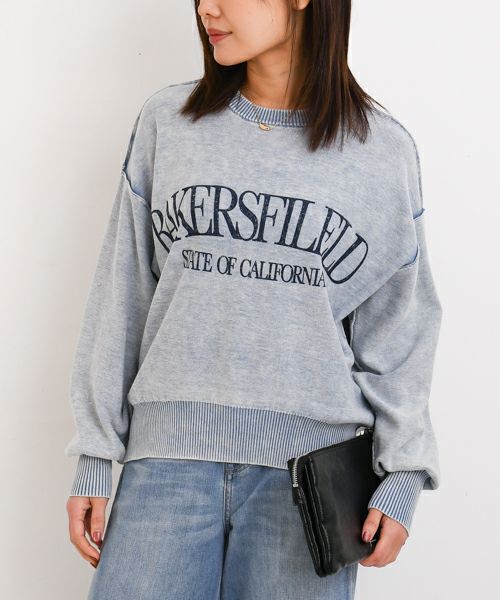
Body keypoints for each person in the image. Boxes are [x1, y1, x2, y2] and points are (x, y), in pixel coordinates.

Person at [64, 0, 443, 598]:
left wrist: (402, 474)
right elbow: (122, 296)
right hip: (165, 463)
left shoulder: (380, 150)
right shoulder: (168, 122)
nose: (206, 8)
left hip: (308, 481)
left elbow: (400, 333)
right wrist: (94, 453)